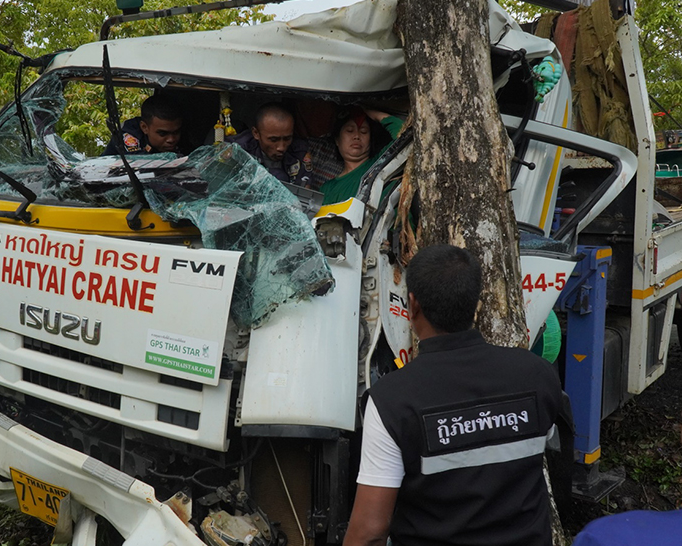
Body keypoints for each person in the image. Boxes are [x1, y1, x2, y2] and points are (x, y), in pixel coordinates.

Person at [344, 244, 563, 546]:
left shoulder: (391, 401)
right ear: (475, 303)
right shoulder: (538, 375)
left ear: (412, 304)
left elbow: (369, 533)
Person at [319, 107, 403, 205]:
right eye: (350, 131)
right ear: (337, 140)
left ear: (370, 140)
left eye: (363, 131)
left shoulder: (381, 162)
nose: (357, 136)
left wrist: (366, 109)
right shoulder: (328, 188)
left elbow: (404, 134)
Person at [228, 103, 313, 187]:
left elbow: (305, 192)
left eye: (287, 139)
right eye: (273, 140)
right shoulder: (238, 151)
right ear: (256, 133)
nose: (281, 147)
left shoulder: (299, 153)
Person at [102, 95, 184, 156]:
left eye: (176, 132)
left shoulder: (185, 137)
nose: (171, 139)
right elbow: (138, 163)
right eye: (163, 133)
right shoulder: (129, 133)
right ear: (144, 127)